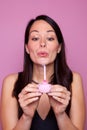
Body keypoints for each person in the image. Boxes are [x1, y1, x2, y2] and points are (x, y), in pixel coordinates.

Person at [1, 15, 85, 130]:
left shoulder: (73, 80)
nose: (42, 43)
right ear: (26, 47)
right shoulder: (11, 82)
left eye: (50, 38)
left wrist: (61, 115)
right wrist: (26, 116)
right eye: (35, 38)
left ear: (59, 47)